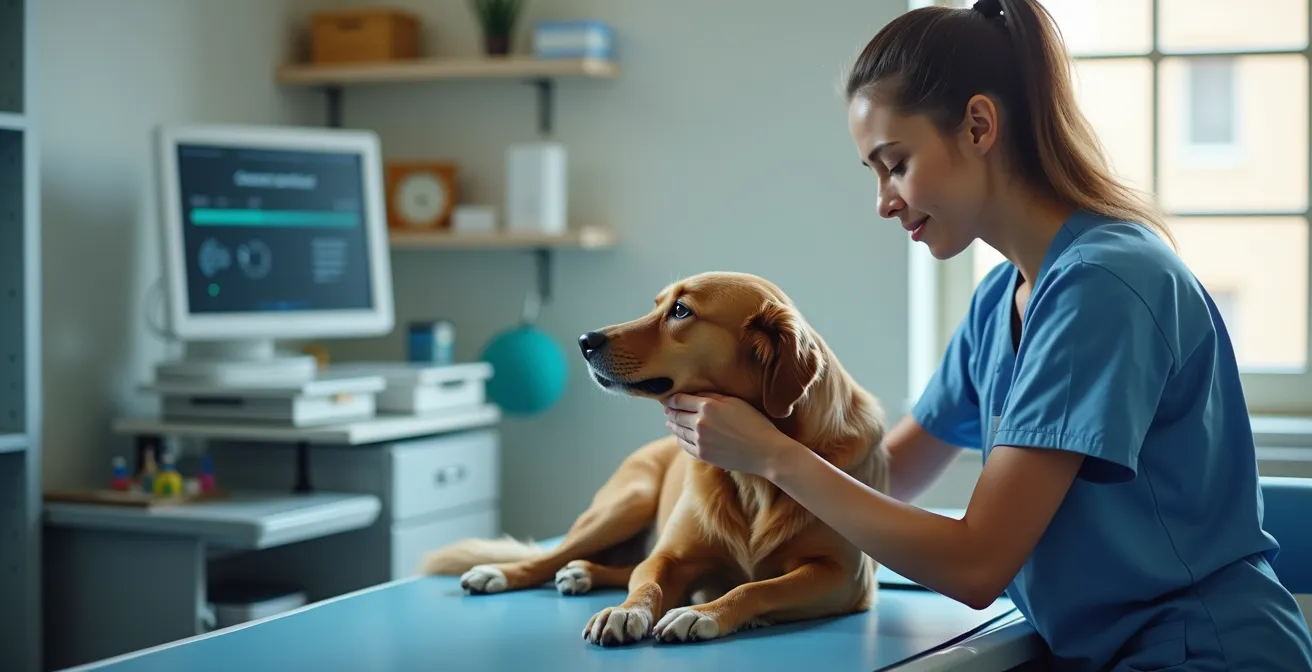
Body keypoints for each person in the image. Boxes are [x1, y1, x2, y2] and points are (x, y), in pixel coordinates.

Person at [662, 0, 1312, 669]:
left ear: (978, 125)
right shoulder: (1000, 300)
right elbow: (889, 474)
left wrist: (774, 456)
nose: (883, 200)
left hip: (1204, 653)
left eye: (896, 163)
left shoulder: (1103, 289)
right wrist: (748, 437)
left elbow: (977, 564)